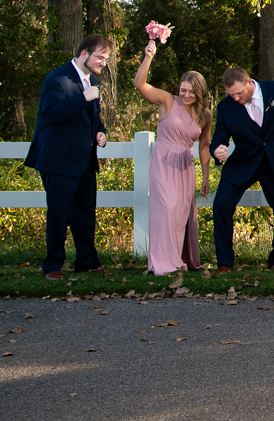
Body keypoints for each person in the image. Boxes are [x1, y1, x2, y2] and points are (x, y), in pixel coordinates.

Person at [25, 34, 113, 279]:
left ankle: (87, 261)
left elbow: (93, 117)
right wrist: (83, 98)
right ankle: (53, 266)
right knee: (59, 214)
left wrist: (101, 132)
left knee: (85, 214)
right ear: (84, 54)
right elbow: (51, 114)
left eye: (106, 59)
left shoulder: (91, 80)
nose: (103, 63)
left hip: (85, 160)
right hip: (59, 160)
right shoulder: (57, 79)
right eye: (100, 57)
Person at [208, 66, 274, 272]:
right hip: (243, 163)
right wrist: (218, 148)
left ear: (249, 82)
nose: (236, 98)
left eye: (239, 93)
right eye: (231, 95)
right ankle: (225, 263)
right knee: (221, 204)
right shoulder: (225, 106)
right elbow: (220, 135)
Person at [131, 39, 211, 275]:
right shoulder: (167, 101)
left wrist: (206, 177)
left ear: (200, 92)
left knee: (178, 215)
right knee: (165, 209)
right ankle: (161, 262)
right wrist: (148, 57)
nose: (186, 94)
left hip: (185, 166)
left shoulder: (205, 115)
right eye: (183, 90)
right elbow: (139, 84)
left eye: (191, 91)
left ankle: (176, 260)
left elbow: (204, 146)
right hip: (164, 161)